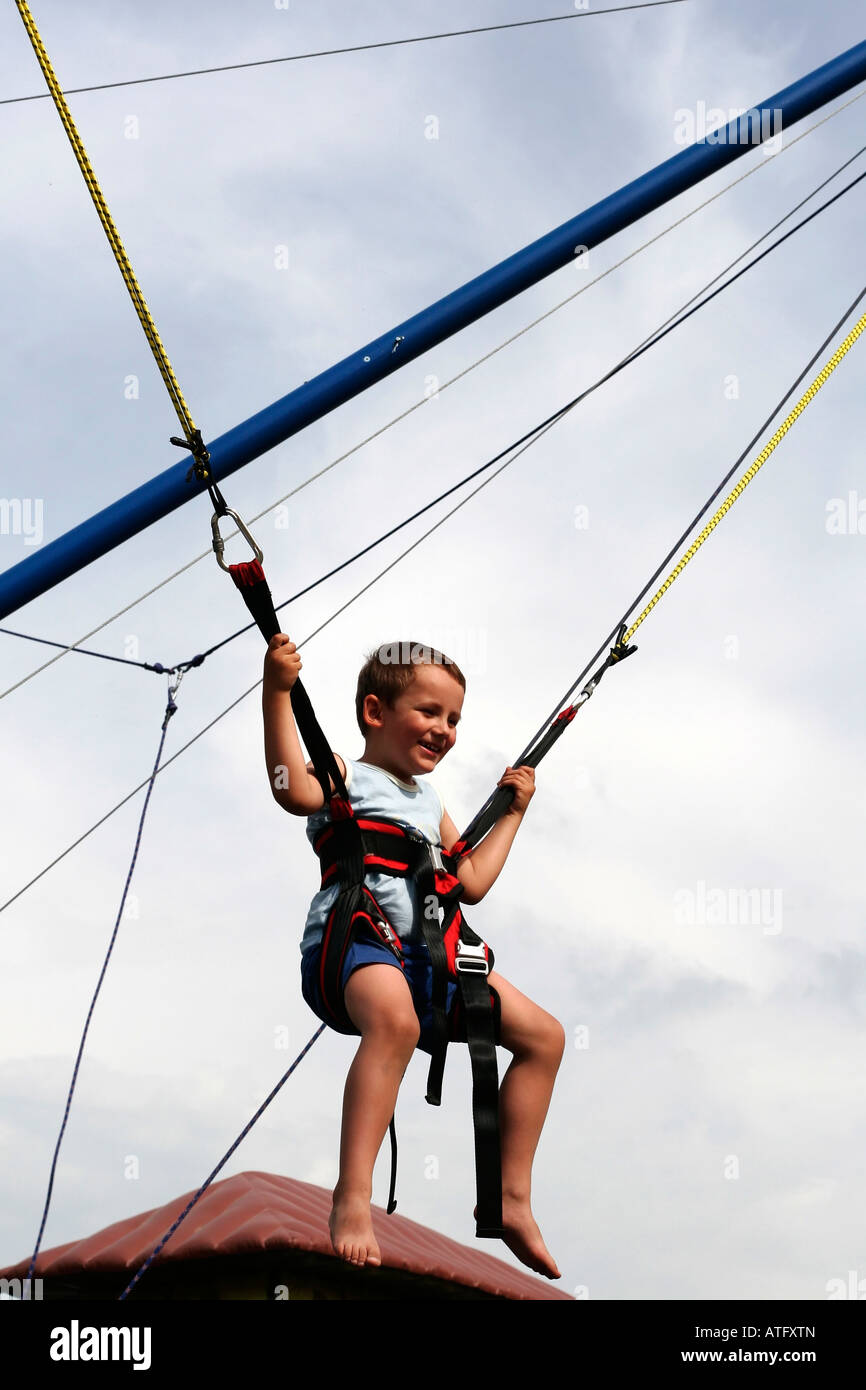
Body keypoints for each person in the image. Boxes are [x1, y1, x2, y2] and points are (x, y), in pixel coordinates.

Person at [262, 633, 564, 1279]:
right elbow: (292, 789)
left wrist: (514, 811)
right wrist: (279, 692)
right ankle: (352, 1197)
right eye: (430, 712)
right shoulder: (347, 772)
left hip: (427, 961)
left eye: (454, 718)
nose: (445, 729)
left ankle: (510, 1202)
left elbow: (472, 882)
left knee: (545, 1036)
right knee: (394, 1021)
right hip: (353, 945)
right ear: (377, 712)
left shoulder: (430, 802)